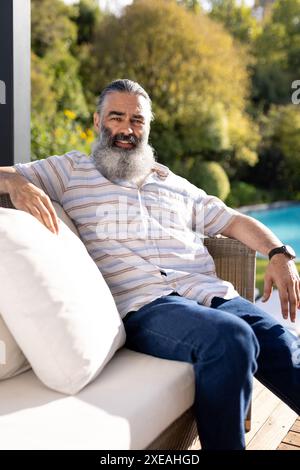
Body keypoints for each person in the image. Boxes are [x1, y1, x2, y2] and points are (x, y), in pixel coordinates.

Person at [0, 79, 299, 450]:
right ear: (97, 121)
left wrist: (278, 253)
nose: (127, 129)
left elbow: (234, 220)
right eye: (117, 117)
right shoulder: (71, 170)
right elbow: (3, 173)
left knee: (285, 346)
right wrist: (16, 182)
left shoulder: (174, 183)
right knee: (233, 340)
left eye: (137, 120)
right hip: (146, 308)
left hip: (211, 295)